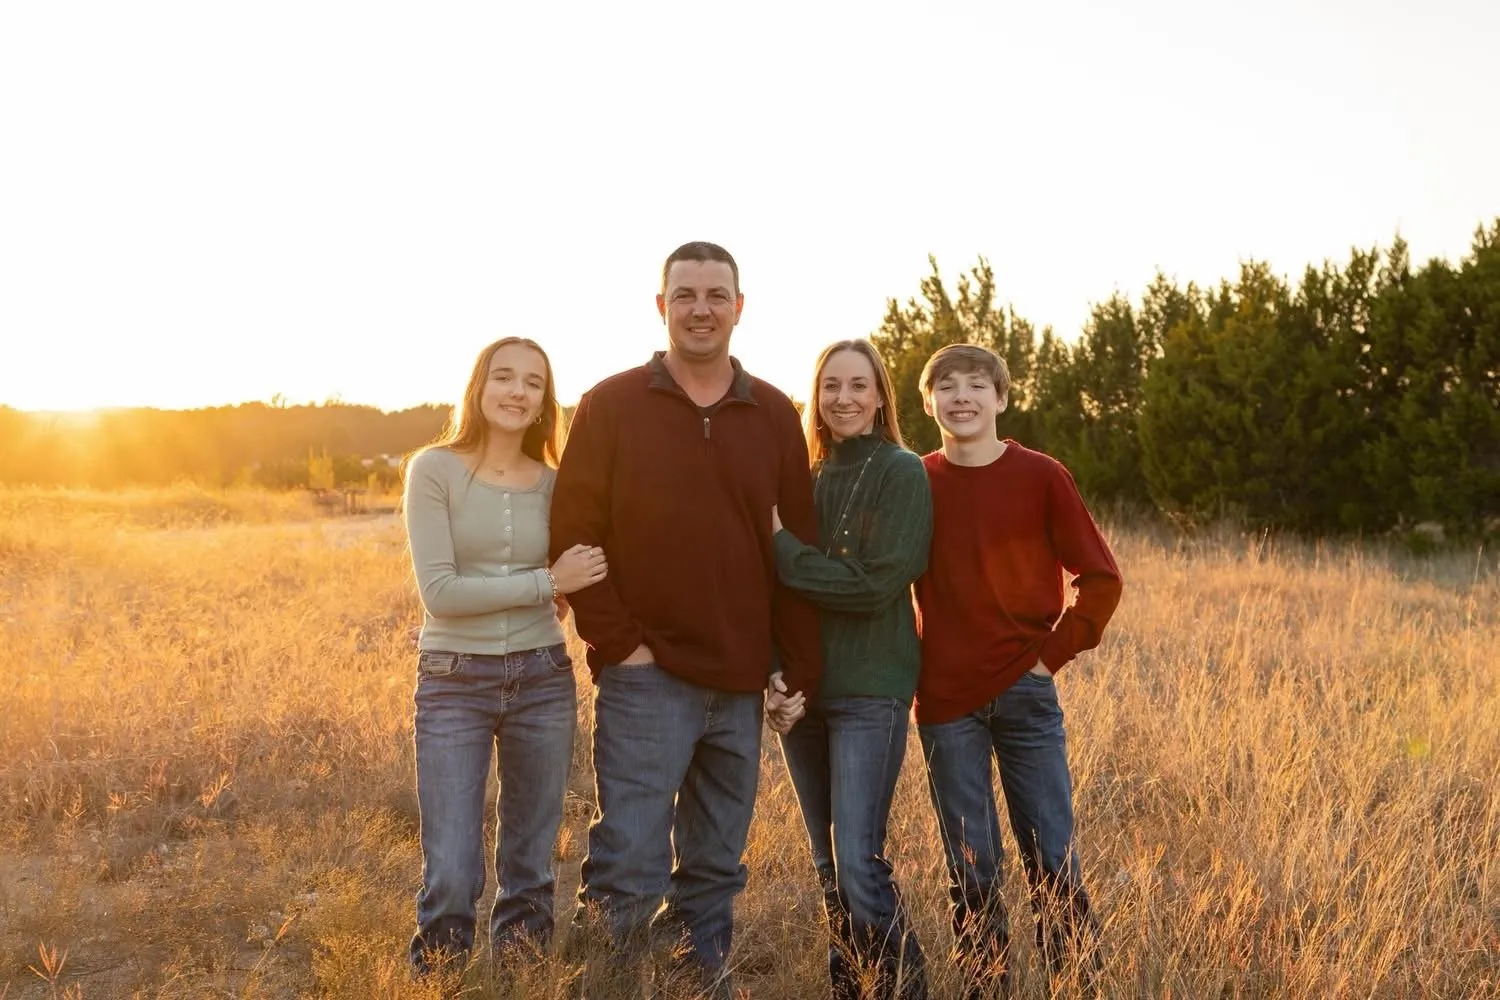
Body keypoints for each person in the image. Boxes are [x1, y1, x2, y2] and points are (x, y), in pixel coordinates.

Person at [549, 241, 823, 998]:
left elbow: (792, 550)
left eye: (715, 294)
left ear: (740, 306)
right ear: (661, 305)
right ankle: (603, 989)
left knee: (714, 867)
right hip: (647, 678)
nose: (701, 308)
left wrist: (789, 665)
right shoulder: (611, 404)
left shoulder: (772, 412)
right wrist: (622, 645)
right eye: (685, 294)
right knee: (628, 864)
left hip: (739, 682)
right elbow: (575, 531)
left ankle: (700, 986)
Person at [913, 343, 1122, 997]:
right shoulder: (914, 481)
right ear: (929, 403)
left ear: (1002, 398)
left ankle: (1073, 986)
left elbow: (1100, 578)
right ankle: (987, 987)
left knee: (1053, 859)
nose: (962, 397)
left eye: (977, 385)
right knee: (972, 867)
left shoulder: (1041, 476)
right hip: (945, 701)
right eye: (947, 387)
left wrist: (1046, 660)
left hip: (1025, 693)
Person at [401, 336, 609, 976]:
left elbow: (587, 571)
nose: (518, 392)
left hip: (544, 678)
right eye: (504, 377)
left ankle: (522, 980)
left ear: (547, 400)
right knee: (454, 865)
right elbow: (441, 595)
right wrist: (548, 584)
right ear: (479, 387)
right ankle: (439, 982)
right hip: (453, 680)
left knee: (530, 858)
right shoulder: (433, 469)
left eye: (534, 383)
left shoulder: (557, 482)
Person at [770, 339, 932, 1000]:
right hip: (802, 694)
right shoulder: (798, 476)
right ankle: (851, 988)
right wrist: (772, 675)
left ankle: (908, 988)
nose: (842, 398)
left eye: (857, 385)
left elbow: (874, 585)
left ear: (880, 396)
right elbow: (771, 598)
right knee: (825, 865)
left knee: (860, 865)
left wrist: (780, 547)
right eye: (830, 386)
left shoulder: (903, 472)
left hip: (872, 687)